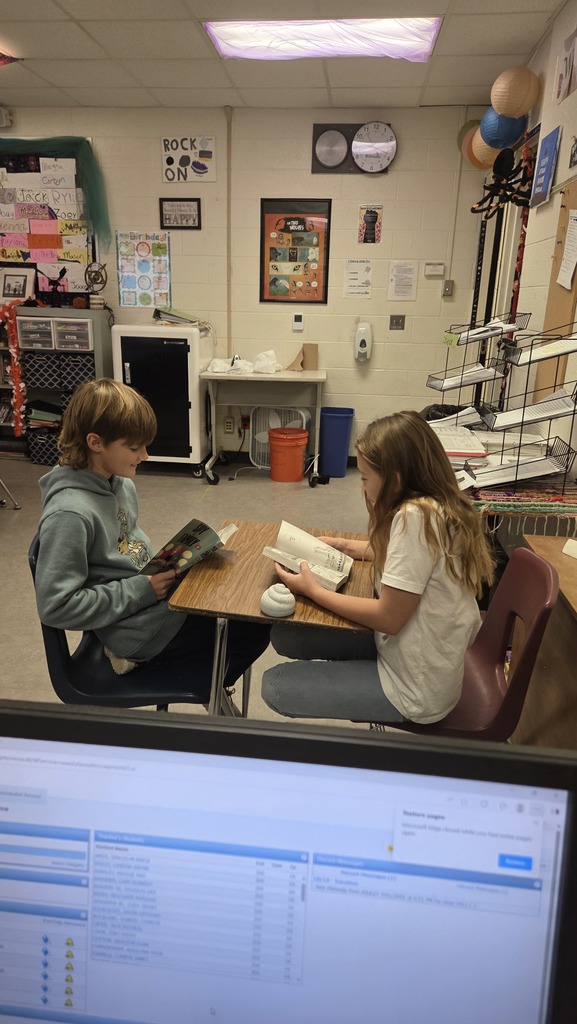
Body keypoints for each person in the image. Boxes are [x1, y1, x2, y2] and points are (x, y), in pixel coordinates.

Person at [35, 378, 270, 695]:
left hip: (149, 606)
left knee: (240, 588)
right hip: (135, 631)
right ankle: (176, 676)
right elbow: (56, 607)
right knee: (254, 624)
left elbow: (127, 553)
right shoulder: (69, 515)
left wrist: (174, 563)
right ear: (95, 442)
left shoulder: (120, 484)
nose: (144, 455)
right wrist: (140, 590)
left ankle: (205, 676)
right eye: (133, 447)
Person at [262, 410, 495, 725]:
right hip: (416, 656)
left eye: (364, 477)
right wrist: (349, 547)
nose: (362, 487)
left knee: (274, 687)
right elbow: (417, 562)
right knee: (284, 636)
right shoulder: (435, 507)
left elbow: (389, 617)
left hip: (414, 688)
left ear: (395, 479)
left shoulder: (415, 519)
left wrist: (312, 590)